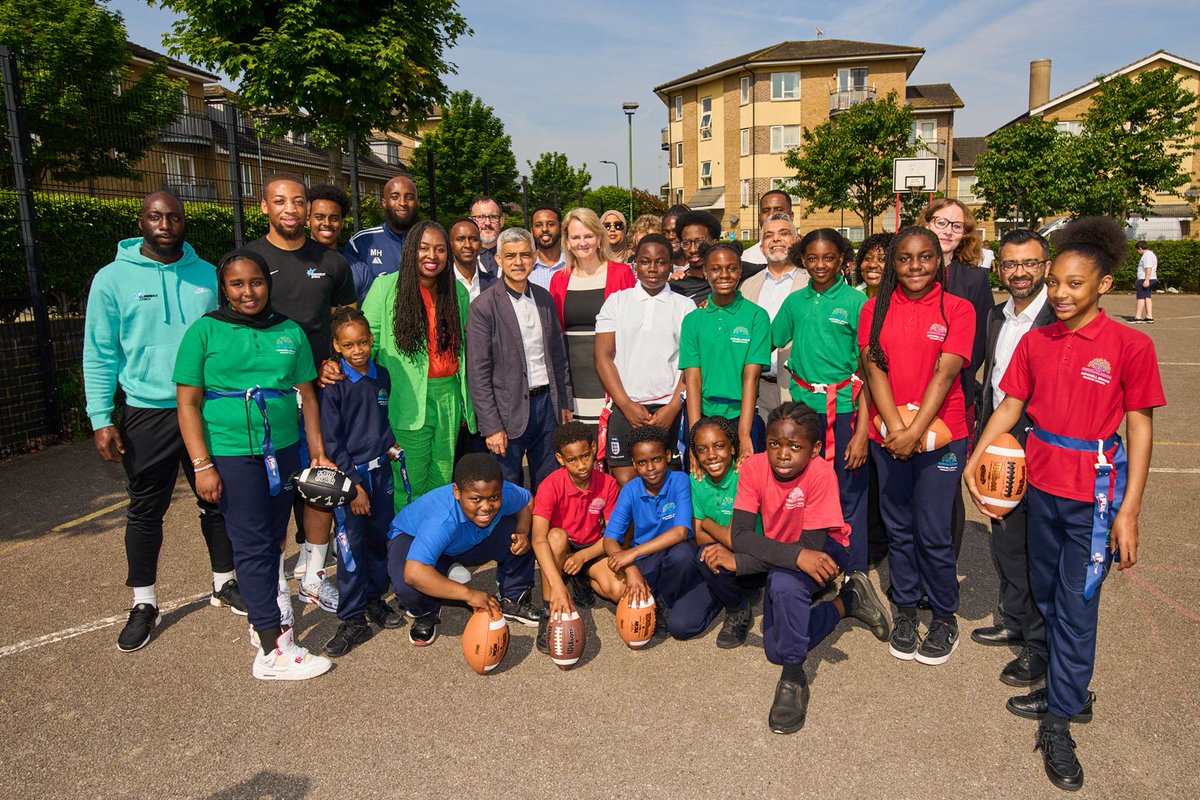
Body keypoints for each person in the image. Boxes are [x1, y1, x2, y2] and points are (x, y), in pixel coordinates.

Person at [965, 217, 1165, 793]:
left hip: (1095, 499)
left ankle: (1061, 720)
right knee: (1046, 594)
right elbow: (1009, 407)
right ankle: (1063, 687)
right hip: (1042, 488)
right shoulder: (1035, 340)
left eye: (1074, 284)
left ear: (1103, 285)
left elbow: (1140, 429)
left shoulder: (1131, 345)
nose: (1059, 292)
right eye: (1055, 282)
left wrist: (1129, 511)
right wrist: (982, 456)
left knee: (1078, 607)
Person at [84, 192, 242, 652]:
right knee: (146, 509)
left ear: (184, 221)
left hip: (206, 407)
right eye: (156, 216)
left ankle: (224, 582)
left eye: (174, 216)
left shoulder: (206, 274)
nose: (166, 224)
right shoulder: (111, 279)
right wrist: (100, 416)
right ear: (142, 221)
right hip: (146, 412)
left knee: (217, 499)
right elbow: (100, 352)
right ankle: (144, 602)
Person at [174, 250, 334, 680]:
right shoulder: (205, 331)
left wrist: (316, 451)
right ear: (223, 288)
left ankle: (261, 616)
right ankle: (273, 648)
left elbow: (309, 396)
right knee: (251, 544)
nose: (248, 292)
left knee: (271, 542)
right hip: (230, 452)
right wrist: (202, 464)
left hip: (281, 450)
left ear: (269, 283)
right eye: (237, 284)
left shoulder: (289, 331)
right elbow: (187, 403)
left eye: (256, 282)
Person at [719, 402, 890, 734]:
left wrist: (741, 564)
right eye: (774, 444)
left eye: (795, 446)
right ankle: (848, 602)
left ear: (814, 449)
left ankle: (794, 678)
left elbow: (811, 551)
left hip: (827, 550)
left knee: (785, 585)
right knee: (774, 649)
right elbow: (740, 535)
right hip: (788, 552)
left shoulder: (821, 473)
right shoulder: (754, 468)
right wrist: (769, 556)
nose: (783, 454)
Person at [859, 226, 976, 666]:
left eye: (924, 257)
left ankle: (945, 615)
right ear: (893, 263)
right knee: (900, 528)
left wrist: (914, 432)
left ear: (938, 259)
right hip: (888, 435)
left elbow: (945, 375)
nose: (915, 267)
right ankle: (905, 609)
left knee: (933, 530)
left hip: (942, 436)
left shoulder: (957, 309)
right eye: (905, 259)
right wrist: (895, 428)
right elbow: (874, 371)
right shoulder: (875, 308)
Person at [244, 175, 355, 612]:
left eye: (297, 201)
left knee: (319, 484)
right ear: (265, 206)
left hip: (317, 391)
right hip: (267, 398)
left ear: (306, 208)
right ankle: (271, 592)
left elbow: (343, 319)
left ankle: (312, 577)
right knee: (270, 491)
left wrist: (334, 359)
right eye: (280, 201)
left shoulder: (332, 261)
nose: (289, 209)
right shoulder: (249, 257)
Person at [970, 229, 1055, 687]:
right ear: (999, 268)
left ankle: (1038, 646)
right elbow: (993, 381)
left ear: (1046, 266)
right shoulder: (996, 316)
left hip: (1040, 438)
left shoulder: (1056, 318)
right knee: (1004, 533)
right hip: (1000, 431)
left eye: (1029, 263)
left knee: (1039, 547)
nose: (1019, 272)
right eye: (1010, 264)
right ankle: (1015, 619)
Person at [772, 229, 875, 588]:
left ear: (843, 259)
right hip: (803, 412)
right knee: (805, 488)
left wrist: (862, 432)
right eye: (812, 258)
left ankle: (855, 571)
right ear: (803, 259)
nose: (820, 265)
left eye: (828, 257)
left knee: (849, 491)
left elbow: (868, 370)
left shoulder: (856, 302)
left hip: (845, 408)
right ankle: (809, 564)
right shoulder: (795, 301)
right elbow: (768, 338)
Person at [358, 220, 475, 510]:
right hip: (407, 400)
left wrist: (464, 405)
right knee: (408, 481)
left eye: (439, 249)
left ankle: (432, 549)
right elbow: (365, 342)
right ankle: (406, 548)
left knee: (442, 479)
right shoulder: (385, 287)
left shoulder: (457, 293)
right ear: (411, 250)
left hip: (448, 398)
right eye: (424, 248)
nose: (431, 256)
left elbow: (463, 349)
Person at [318, 307, 407, 658]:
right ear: (337, 347)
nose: (358, 351)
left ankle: (373, 600)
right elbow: (332, 440)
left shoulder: (380, 375)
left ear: (372, 340)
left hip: (381, 473)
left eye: (363, 343)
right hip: (350, 480)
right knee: (351, 550)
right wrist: (352, 484)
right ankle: (352, 618)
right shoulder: (335, 386)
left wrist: (390, 443)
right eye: (349, 345)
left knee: (378, 539)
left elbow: (380, 419)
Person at [387, 453, 541, 646]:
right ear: (457, 492)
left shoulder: (501, 491)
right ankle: (426, 611)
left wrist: (522, 531)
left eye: (494, 497)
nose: (486, 506)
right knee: (406, 582)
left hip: (462, 539)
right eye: (476, 499)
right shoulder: (442, 519)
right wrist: (468, 594)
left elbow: (527, 501)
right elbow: (414, 573)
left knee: (527, 532)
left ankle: (514, 595)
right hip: (413, 537)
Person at [468, 227, 573, 491]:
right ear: (499, 260)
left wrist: (564, 403)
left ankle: (543, 532)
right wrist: (491, 426)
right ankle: (512, 533)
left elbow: (558, 357)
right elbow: (478, 373)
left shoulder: (544, 298)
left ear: (535, 257)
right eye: (511, 255)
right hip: (506, 411)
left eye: (525, 255)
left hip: (547, 407)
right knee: (506, 487)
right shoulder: (483, 306)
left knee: (549, 483)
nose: (518, 262)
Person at [917, 199, 993, 560]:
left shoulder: (974, 279)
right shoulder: (908, 269)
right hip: (904, 391)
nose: (947, 230)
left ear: (965, 235)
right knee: (910, 486)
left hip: (951, 393)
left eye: (956, 226)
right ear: (926, 223)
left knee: (946, 489)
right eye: (940, 222)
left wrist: (940, 373)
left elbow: (977, 347)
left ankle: (943, 568)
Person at [602, 425, 720, 640]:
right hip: (648, 561)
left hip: (677, 558)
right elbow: (610, 539)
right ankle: (663, 601)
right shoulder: (630, 489)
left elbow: (681, 532)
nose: (650, 468)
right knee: (678, 625)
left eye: (656, 459)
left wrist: (631, 553)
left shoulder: (680, 481)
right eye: (642, 462)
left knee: (682, 555)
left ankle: (672, 600)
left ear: (667, 456)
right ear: (634, 465)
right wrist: (630, 569)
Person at [594, 233, 693, 485]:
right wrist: (625, 405)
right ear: (634, 263)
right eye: (645, 261)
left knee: (667, 481)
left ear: (672, 265)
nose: (652, 269)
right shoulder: (617, 302)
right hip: (626, 407)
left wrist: (672, 407)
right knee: (626, 481)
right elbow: (603, 357)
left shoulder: (685, 307)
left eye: (661, 262)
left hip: (668, 410)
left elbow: (690, 366)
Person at [530, 421, 623, 653]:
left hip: (591, 547)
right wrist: (558, 586)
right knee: (556, 538)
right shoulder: (550, 485)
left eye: (585, 456)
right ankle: (549, 609)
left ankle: (581, 578)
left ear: (593, 449)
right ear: (561, 459)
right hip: (561, 545)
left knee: (618, 590)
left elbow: (613, 535)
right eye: (572, 460)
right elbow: (538, 539)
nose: (581, 465)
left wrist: (583, 556)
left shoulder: (608, 483)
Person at [680, 241, 770, 462]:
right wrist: (694, 437)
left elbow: (752, 376)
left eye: (731, 268)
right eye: (716, 269)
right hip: (702, 416)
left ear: (740, 271)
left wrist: (744, 433)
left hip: (741, 416)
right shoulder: (693, 319)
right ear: (705, 271)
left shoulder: (756, 316)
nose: (724, 275)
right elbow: (693, 379)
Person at [549, 207, 636, 428]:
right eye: (575, 237)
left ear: (599, 238)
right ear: (567, 242)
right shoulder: (558, 280)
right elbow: (555, 337)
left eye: (588, 236)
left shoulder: (622, 273)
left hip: (613, 380)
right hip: (574, 382)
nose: (582, 242)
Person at [688, 416, 755, 648]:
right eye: (702, 449)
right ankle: (738, 604)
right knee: (703, 554)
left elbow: (735, 538)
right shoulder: (696, 479)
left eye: (719, 446)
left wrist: (706, 522)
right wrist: (720, 537)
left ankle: (737, 609)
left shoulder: (744, 474)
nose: (712, 455)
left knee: (712, 551)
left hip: (758, 555)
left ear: (733, 448)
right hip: (725, 553)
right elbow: (697, 537)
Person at [740, 213, 807, 422]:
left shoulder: (812, 283)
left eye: (783, 233)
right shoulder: (747, 286)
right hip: (759, 388)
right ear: (761, 247)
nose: (776, 239)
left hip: (798, 388)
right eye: (769, 235)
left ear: (797, 240)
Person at [345, 175, 420, 303]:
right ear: (384, 202)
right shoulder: (361, 242)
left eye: (410, 197)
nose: (402, 203)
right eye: (395, 197)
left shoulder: (431, 241)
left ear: (418, 202)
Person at [669, 210, 720, 300]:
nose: (693, 249)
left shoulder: (727, 280)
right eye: (686, 243)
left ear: (714, 243)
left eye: (700, 241)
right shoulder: (675, 287)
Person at [448, 217, 496, 302]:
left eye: (473, 239)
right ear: (451, 244)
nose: (467, 245)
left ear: (480, 244)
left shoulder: (494, 284)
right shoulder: (441, 284)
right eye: (460, 239)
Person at [741, 190, 793, 265]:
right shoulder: (745, 259)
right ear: (759, 217)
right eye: (766, 210)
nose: (771, 214)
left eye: (778, 209)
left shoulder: (807, 254)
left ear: (791, 216)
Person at [530, 205, 566, 290]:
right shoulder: (524, 267)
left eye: (551, 224)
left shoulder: (575, 263)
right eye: (538, 225)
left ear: (561, 228)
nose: (545, 229)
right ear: (532, 231)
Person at [470, 196, 504, 277]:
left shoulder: (514, 255)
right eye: (481, 217)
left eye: (493, 217)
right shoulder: (458, 259)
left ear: (501, 221)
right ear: (471, 221)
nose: (487, 223)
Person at [306, 184, 348, 249]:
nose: (327, 223)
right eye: (319, 217)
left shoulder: (349, 259)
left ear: (342, 222)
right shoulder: (292, 257)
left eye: (334, 218)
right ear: (308, 220)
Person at [854, 233, 891, 298]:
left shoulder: (901, 302)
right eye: (868, 258)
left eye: (882, 259)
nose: (872, 265)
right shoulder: (851, 296)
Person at [661, 204, 691, 271]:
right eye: (665, 233)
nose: (671, 236)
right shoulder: (660, 270)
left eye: (676, 231)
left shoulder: (704, 267)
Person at [1134, 240, 1157, 323]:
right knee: (1147, 297)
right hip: (1150, 278)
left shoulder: (1147, 255)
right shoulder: (1151, 254)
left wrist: (1146, 280)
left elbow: (1148, 267)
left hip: (1145, 279)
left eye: (1137, 250)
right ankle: (1149, 316)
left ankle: (1138, 317)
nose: (1138, 252)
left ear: (1140, 248)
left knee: (1140, 298)